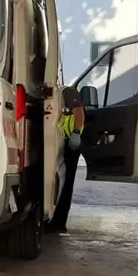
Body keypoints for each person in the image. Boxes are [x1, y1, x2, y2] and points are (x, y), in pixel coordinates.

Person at [45, 86, 85, 234]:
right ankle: (55, 219)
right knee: (59, 181)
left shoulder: (67, 92)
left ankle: (59, 223)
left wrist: (75, 133)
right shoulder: (55, 96)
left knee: (65, 183)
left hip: (71, 144)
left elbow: (79, 113)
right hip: (61, 142)